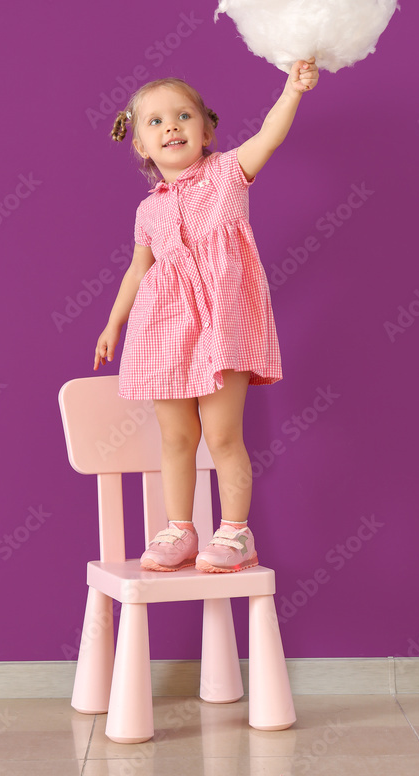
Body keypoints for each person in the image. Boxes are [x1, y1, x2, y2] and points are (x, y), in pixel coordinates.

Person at [93, 58, 319, 572]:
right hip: (163, 329)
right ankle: (180, 530)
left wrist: (293, 90)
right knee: (176, 438)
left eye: (183, 115)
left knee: (221, 435)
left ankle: (236, 533)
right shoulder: (147, 210)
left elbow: (270, 135)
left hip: (222, 324)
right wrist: (114, 324)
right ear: (141, 145)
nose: (171, 126)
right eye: (155, 121)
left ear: (207, 129)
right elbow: (137, 271)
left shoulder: (227, 174)